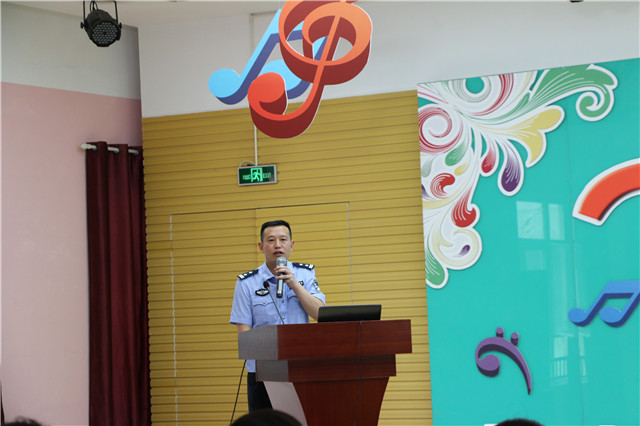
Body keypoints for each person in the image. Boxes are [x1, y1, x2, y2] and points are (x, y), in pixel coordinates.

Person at [230, 220, 326, 412]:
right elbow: (244, 336)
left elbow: (320, 314)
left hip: (300, 367)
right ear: (261, 246)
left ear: (291, 245)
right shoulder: (246, 283)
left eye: (283, 239)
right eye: (271, 240)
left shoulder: (305, 274)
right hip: (263, 372)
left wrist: (294, 285)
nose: (277, 245)